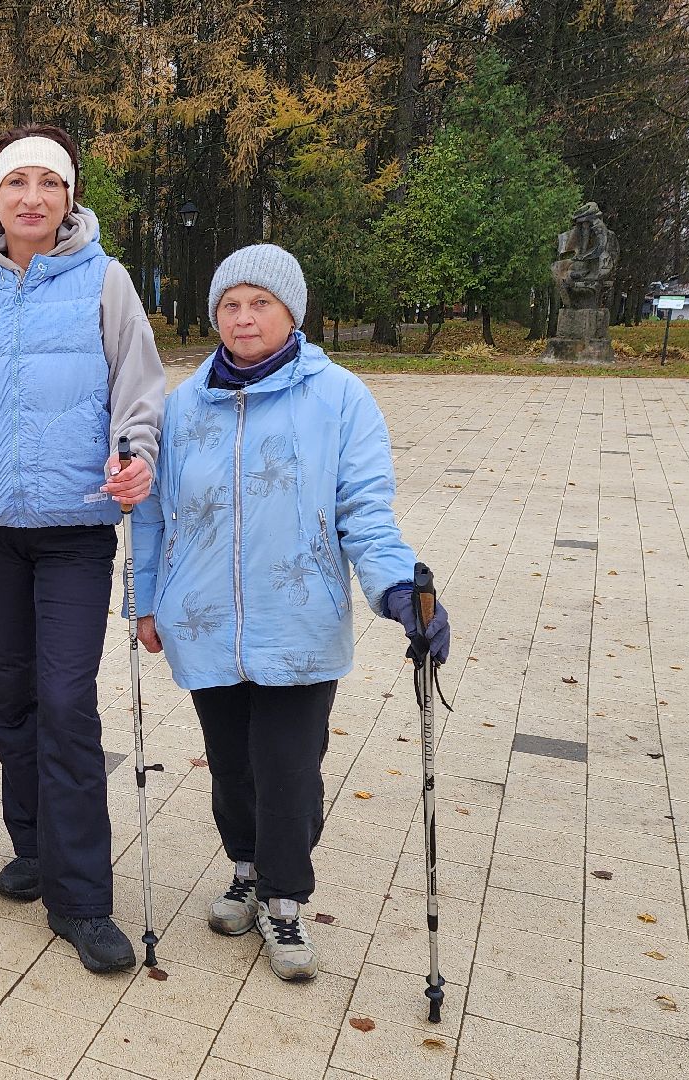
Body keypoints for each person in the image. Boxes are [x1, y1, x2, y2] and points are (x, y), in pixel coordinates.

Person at [131, 244, 452, 982]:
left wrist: (400, 590)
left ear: (291, 312)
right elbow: (149, 512)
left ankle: (284, 899)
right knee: (231, 767)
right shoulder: (182, 406)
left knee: (289, 771)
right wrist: (145, 600)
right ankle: (245, 870)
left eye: (260, 304)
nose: (243, 318)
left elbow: (364, 511)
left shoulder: (339, 398)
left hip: (297, 621)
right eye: (230, 305)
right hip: (203, 619)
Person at [0, 125, 165, 973]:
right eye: (17, 183)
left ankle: (83, 897)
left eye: (48, 184)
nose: (32, 199)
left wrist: (136, 456)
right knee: (7, 693)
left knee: (65, 700)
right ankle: (36, 844)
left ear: (68, 198)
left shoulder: (106, 281)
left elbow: (140, 390)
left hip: (74, 531)